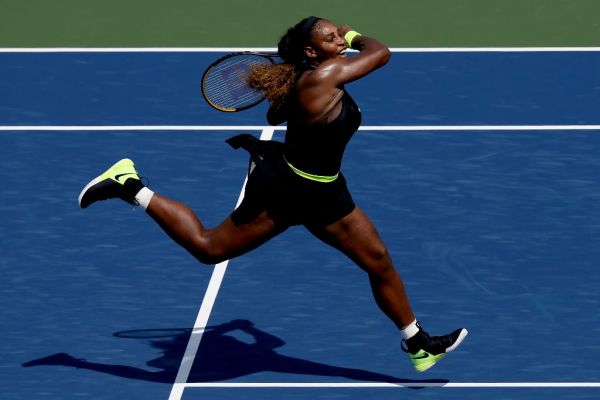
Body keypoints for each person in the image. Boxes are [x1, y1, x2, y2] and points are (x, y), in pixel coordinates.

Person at [78, 16, 467, 373]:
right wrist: (353, 35)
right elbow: (380, 53)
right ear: (312, 52)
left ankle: (418, 344)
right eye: (330, 37)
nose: (340, 39)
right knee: (208, 248)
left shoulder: (312, 75)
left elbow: (274, 117)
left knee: (378, 260)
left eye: (338, 34)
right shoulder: (325, 74)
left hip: (325, 190)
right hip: (292, 192)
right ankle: (128, 184)